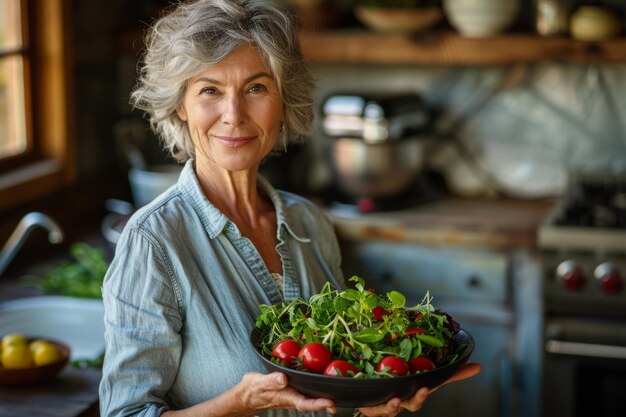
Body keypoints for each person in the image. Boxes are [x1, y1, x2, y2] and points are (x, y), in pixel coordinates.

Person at [99, 1, 481, 416]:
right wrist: (238, 403)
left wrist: (367, 401)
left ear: (283, 102)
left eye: (257, 88)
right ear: (180, 105)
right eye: (210, 90)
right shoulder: (153, 242)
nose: (234, 115)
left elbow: (328, 384)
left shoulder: (309, 222)